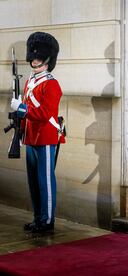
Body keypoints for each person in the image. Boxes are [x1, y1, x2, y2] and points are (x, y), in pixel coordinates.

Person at [10, 32, 63, 234]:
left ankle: (48, 220)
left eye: (39, 58)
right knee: (33, 181)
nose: (35, 60)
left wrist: (21, 108)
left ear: (47, 60)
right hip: (31, 136)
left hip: (46, 136)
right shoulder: (30, 81)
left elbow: (43, 114)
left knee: (45, 180)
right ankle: (38, 218)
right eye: (33, 57)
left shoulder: (51, 84)